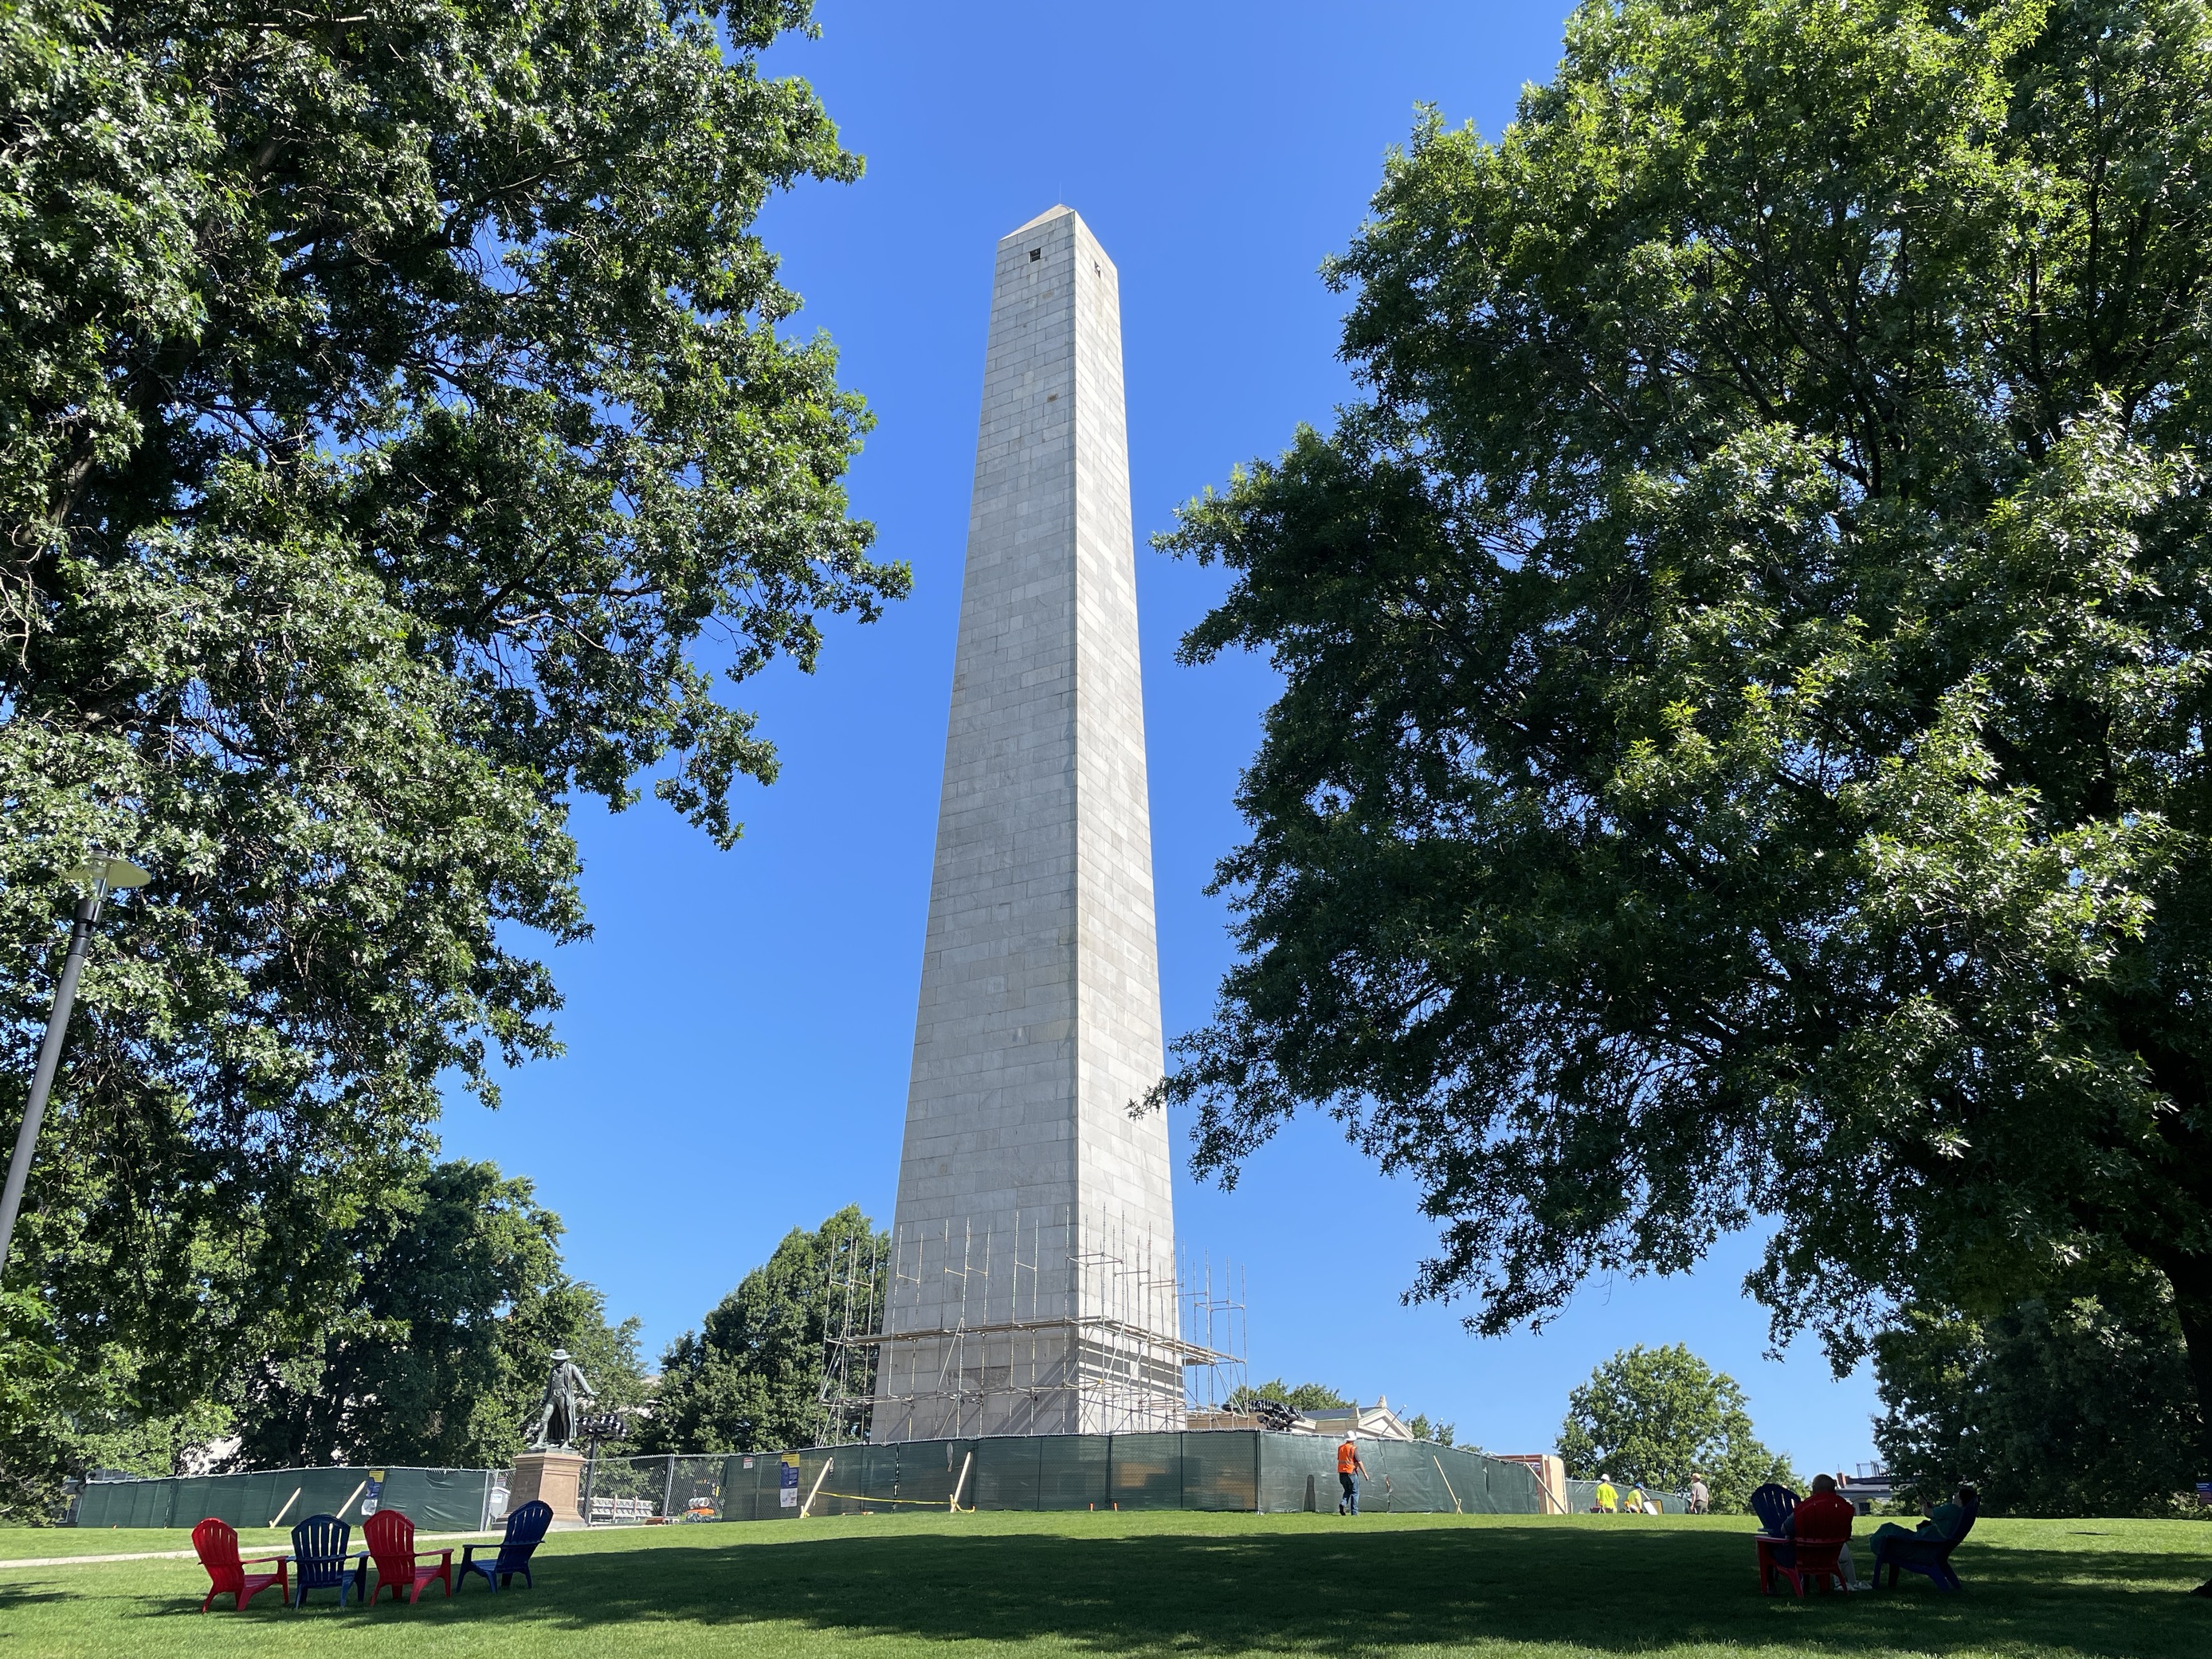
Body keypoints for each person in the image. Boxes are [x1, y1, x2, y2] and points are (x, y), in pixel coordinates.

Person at [1781, 1472, 1863, 1590]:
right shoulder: (1842, 1509)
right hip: (1833, 1554)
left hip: (1805, 1555)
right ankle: (1851, 1582)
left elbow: (1785, 1529)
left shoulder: (1804, 1509)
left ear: (1814, 1490)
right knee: (1843, 1549)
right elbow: (1847, 1534)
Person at [1872, 1483, 1976, 1548]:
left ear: (1960, 1499)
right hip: (1934, 1546)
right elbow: (1937, 1514)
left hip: (1923, 1545)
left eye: (1956, 1495)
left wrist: (1923, 1504)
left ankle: (1875, 1545)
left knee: (1888, 1528)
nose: (1954, 1497)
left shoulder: (1953, 1509)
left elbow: (1928, 1513)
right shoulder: (1960, 1514)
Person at [1335, 1434, 1367, 1515]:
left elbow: (1342, 1460)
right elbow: (1359, 1462)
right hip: (1351, 1473)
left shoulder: (1340, 1448)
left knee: (1347, 1490)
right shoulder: (1353, 1448)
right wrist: (1365, 1474)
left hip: (1342, 1474)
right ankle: (1354, 1512)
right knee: (1355, 1492)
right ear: (1353, 1440)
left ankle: (1343, 1503)